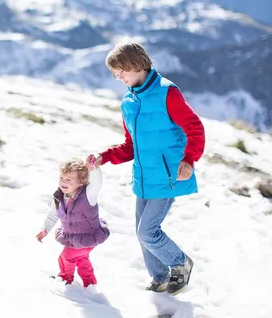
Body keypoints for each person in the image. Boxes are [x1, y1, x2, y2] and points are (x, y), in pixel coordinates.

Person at [87, 42, 205, 295]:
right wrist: (103, 156)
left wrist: (189, 159)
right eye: (115, 74)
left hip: (167, 176)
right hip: (143, 177)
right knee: (142, 233)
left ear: (135, 65)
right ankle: (160, 277)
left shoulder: (167, 93)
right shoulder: (129, 101)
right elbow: (131, 145)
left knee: (148, 231)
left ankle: (181, 263)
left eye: (121, 72)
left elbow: (195, 128)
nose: (118, 78)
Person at [36, 158, 109, 290]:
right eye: (61, 178)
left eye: (69, 180)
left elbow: (97, 182)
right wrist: (45, 229)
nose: (63, 182)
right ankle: (90, 283)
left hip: (88, 237)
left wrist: (94, 168)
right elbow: (53, 214)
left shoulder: (88, 194)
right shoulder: (59, 197)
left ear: (81, 182)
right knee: (81, 259)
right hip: (73, 237)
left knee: (66, 257)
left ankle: (64, 279)